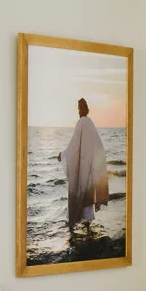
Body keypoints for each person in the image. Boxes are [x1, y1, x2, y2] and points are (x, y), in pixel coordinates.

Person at [60, 98, 110, 234]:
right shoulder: (90, 122)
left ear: (81, 109)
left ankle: (74, 227)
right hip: (89, 166)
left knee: (79, 191)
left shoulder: (81, 122)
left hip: (83, 166)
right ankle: (87, 225)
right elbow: (98, 146)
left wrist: (63, 155)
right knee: (87, 193)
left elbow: (74, 146)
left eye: (79, 108)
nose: (78, 110)